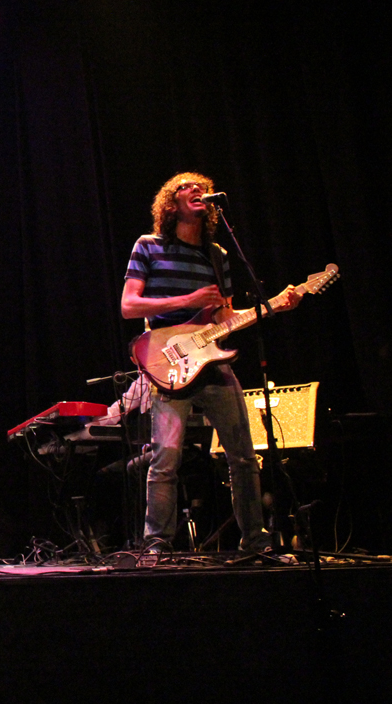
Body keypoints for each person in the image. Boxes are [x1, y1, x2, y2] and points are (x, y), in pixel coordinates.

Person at [121, 173, 302, 554]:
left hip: (212, 364)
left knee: (243, 456)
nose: (197, 191)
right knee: (165, 460)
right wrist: (185, 302)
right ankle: (157, 544)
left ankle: (255, 540)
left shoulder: (217, 256)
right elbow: (129, 305)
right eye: (186, 187)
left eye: (201, 187)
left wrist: (272, 307)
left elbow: (224, 318)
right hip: (168, 364)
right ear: (170, 204)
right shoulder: (149, 247)